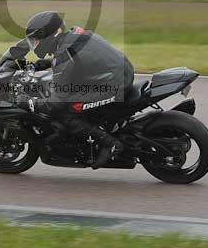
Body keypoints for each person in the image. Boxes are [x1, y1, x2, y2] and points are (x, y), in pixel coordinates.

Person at [18, 11, 134, 169]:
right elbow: (76, 57)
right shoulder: (73, 34)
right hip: (118, 72)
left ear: (52, 35)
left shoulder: (64, 57)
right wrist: (42, 64)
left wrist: (27, 102)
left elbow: (55, 104)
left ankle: (111, 144)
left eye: (37, 40)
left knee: (68, 109)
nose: (35, 44)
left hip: (116, 84)